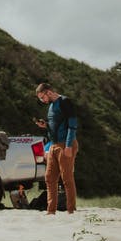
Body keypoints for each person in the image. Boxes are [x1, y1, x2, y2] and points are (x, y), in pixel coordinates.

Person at [35, 82, 79, 215]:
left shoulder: (64, 101)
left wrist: (69, 145)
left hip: (65, 144)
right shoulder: (51, 106)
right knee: (49, 178)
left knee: (66, 178)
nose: (42, 100)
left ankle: (71, 210)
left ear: (48, 92)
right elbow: (55, 125)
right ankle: (51, 210)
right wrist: (45, 126)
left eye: (43, 97)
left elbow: (72, 124)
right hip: (54, 145)